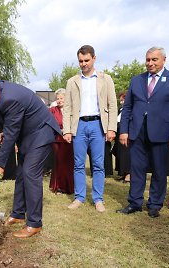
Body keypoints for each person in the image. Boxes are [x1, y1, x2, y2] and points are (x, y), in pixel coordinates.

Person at [0, 73, 61, 238]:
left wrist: (0, 163)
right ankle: (18, 214)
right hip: (29, 137)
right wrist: (1, 131)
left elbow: (12, 133)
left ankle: (34, 224)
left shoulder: (11, 98)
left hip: (41, 134)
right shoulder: (0, 95)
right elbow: (0, 115)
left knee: (30, 174)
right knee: (21, 175)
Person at [117, 47, 169, 218]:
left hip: (162, 133)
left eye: (154, 60)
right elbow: (127, 108)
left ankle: (155, 204)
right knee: (137, 169)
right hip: (137, 132)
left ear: (164, 59)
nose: (150, 63)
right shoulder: (136, 80)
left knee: (159, 170)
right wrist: (124, 131)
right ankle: (134, 203)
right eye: (148, 60)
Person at [63, 45, 118, 213]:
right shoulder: (72, 81)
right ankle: (79, 197)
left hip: (97, 125)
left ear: (94, 58)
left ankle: (98, 199)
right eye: (80, 61)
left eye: (86, 60)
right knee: (78, 164)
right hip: (78, 126)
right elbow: (67, 108)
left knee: (98, 164)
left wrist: (111, 128)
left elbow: (112, 104)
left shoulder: (105, 79)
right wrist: (66, 130)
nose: (84, 64)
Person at [49, 89, 74, 194]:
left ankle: (70, 186)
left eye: (61, 98)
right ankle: (59, 186)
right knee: (59, 164)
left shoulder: (72, 109)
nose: (59, 100)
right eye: (57, 98)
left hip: (70, 141)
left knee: (69, 164)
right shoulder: (52, 110)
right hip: (57, 141)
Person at [114, 91, 131, 183]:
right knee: (120, 155)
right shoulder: (120, 109)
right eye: (120, 100)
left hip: (126, 133)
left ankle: (128, 175)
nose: (121, 102)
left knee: (127, 155)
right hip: (118, 133)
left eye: (123, 100)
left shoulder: (130, 109)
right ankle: (122, 173)